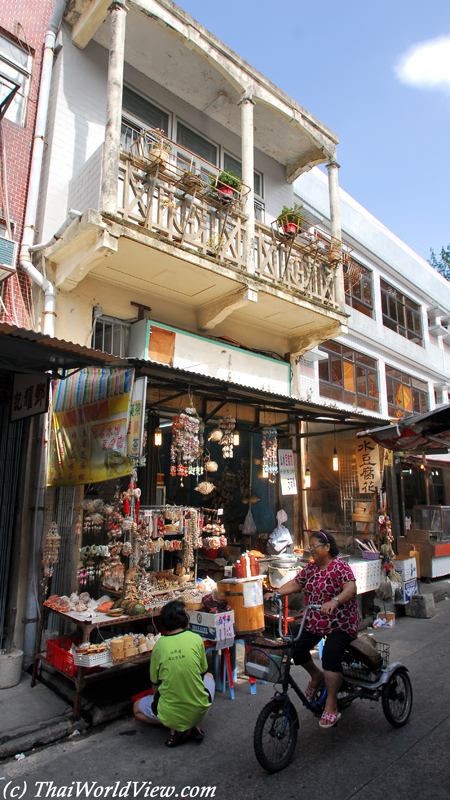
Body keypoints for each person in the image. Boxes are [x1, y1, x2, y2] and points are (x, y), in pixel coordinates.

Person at [270, 530, 359, 729]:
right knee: (295, 647)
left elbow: (350, 588)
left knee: (330, 654)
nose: (311, 550)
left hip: (340, 623)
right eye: (310, 547)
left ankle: (331, 705)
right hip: (315, 622)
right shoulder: (311, 568)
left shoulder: (340, 567)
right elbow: (296, 583)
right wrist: (276, 594)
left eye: (314, 546)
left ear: (327, 547)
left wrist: (335, 601)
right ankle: (316, 676)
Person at [133, 599, 215, 747]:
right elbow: (202, 673)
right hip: (199, 710)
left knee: (136, 709)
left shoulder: (159, 646)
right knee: (210, 677)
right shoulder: (196, 639)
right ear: (183, 618)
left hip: (170, 712)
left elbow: (155, 683)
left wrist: (160, 700)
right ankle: (189, 724)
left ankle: (176, 727)